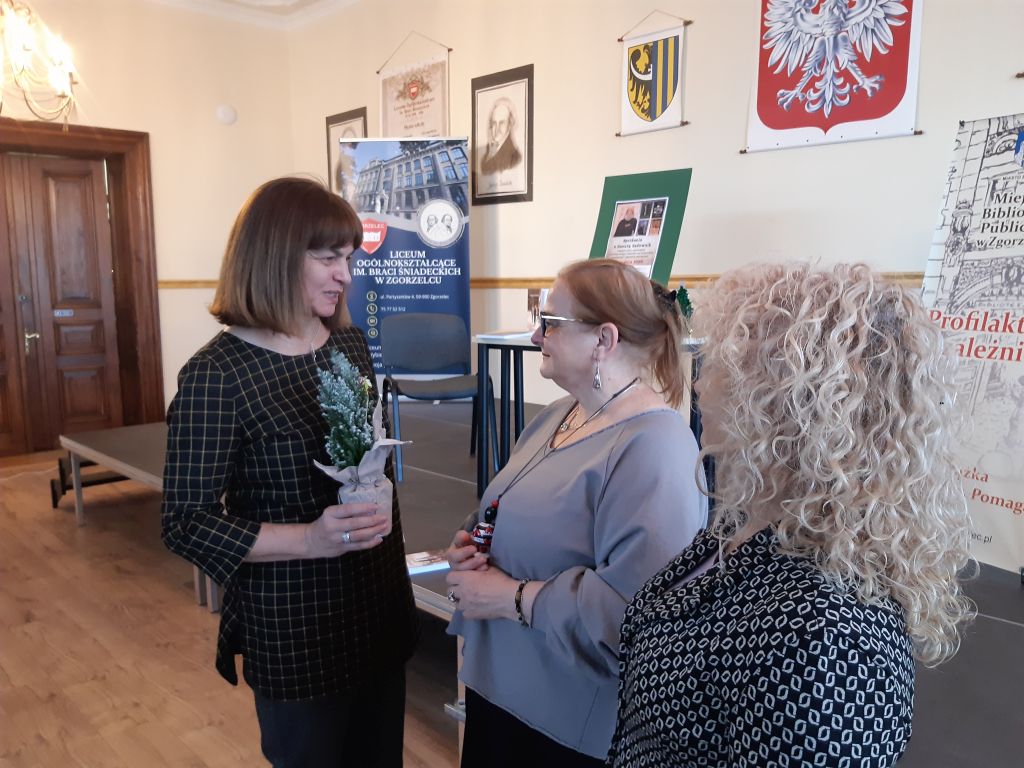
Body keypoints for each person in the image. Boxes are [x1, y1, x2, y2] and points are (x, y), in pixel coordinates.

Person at [609, 262, 977, 768]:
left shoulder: (828, 645)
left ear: (783, 400)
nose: (698, 389)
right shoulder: (751, 524)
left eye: (718, 368)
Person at [161, 177, 418, 768]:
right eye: (327, 258)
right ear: (275, 257)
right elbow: (185, 522)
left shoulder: (347, 344)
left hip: (377, 611)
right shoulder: (216, 376)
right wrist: (308, 538)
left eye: (348, 257)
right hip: (299, 635)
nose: (345, 274)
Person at [445, 258, 708, 767]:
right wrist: (475, 542)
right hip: (499, 691)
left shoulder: (655, 447)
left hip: (563, 727)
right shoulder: (558, 415)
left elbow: (635, 615)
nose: (535, 335)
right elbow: (512, 505)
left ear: (603, 340)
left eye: (550, 324)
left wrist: (508, 598)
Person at [480, 97, 522, 175]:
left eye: (502, 123)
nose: (496, 129)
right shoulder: (486, 155)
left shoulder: (515, 157)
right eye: (494, 123)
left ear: (510, 124)